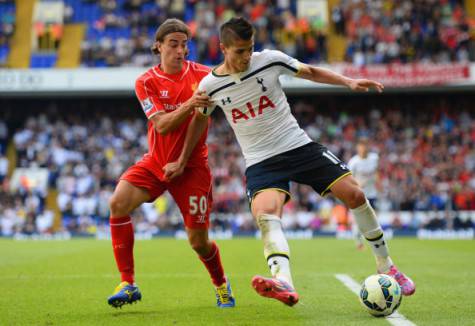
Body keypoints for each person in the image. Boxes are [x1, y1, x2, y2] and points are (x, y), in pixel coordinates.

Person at [163, 17, 416, 307]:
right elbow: (199, 121)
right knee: (266, 215)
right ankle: (284, 282)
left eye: (250, 49)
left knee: (355, 194)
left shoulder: (270, 60)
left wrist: (347, 81)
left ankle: (386, 266)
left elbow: (309, 71)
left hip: (297, 146)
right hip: (261, 161)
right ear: (223, 48)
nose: (246, 57)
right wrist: (182, 160)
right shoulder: (209, 85)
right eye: (240, 51)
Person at [107, 18, 235, 309]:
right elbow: (162, 126)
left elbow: (201, 122)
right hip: (156, 162)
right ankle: (128, 283)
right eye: (173, 44)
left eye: (184, 44)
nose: (180, 50)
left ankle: (221, 284)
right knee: (118, 204)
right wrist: (189, 103)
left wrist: (180, 160)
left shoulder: (204, 77)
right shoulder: (145, 82)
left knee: (199, 242)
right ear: (158, 46)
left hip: (191, 168)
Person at [348, 138, 380, 250]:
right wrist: (358, 184)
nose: (363, 148)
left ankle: (375, 242)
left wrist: (377, 180)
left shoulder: (374, 158)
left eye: (365, 146)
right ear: (358, 148)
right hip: (359, 194)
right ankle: (358, 242)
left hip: (372, 194)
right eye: (361, 146)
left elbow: (377, 171)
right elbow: (348, 179)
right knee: (359, 220)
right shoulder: (353, 162)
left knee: (374, 219)